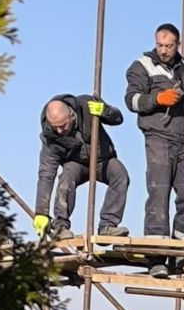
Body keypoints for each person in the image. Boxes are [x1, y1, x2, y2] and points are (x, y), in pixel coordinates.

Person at [124, 22, 184, 277]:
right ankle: (156, 258)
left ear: (178, 45)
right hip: (159, 136)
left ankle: (181, 254)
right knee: (159, 193)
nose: (163, 50)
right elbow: (131, 100)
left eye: (169, 46)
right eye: (160, 45)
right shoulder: (142, 66)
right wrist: (157, 99)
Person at [33, 94, 129, 241]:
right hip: (76, 163)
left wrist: (105, 111)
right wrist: (41, 212)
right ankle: (60, 227)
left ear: (72, 115)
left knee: (119, 173)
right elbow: (46, 174)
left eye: (63, 125)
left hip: (103, 159)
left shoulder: (87, 104)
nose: (59, 131)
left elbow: (118, 119)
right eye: (55, 127)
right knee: (67, 177)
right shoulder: (49, 137)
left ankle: (107, 226)